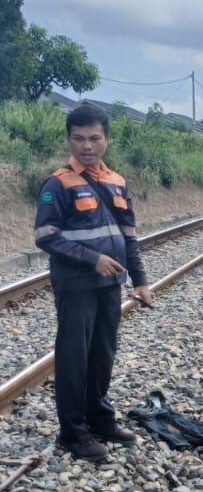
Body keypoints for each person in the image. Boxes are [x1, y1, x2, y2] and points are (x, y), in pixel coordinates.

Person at [34, 102, 155, 463]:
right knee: (74, 358)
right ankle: (73, 433)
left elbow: (128, 236)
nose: (86, 146)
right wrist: (93, 259)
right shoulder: (58, 184)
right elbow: (45, 236)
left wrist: (141, 280)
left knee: (103, 354)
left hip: (110, 286)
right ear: (70, 140)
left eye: (94, 139)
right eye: (78, 139)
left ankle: (100, 419)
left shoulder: (116, 181)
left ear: (106, 140)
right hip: (76, 285)